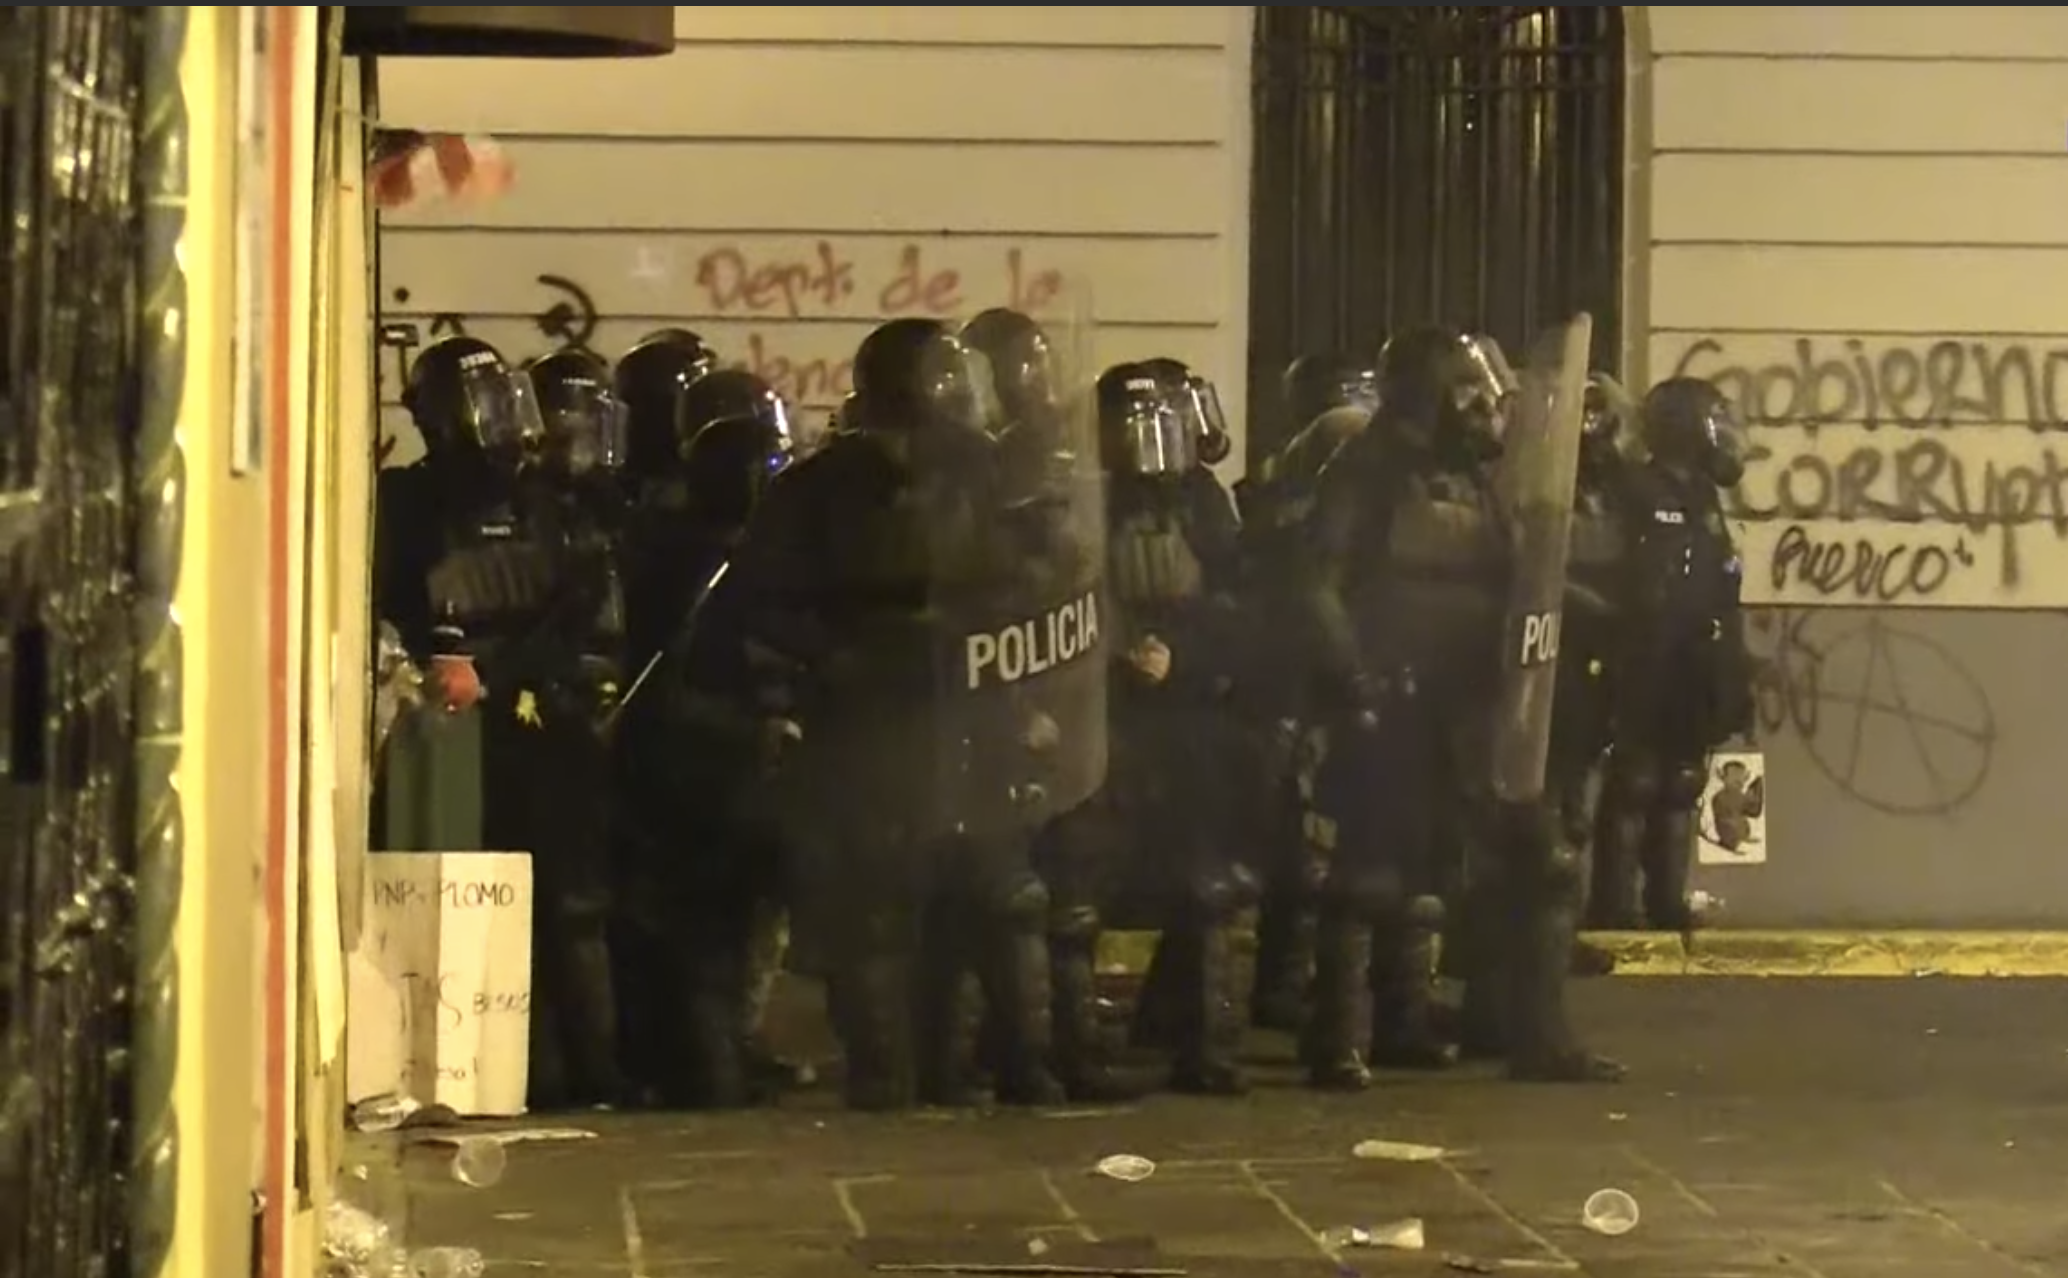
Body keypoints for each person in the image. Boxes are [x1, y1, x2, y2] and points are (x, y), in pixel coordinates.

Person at [727, 318, 1094, 1110]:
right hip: (872, 723)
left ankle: (994, 1065)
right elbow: (761, 601)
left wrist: (1032, 658)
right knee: (881, 905)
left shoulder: (991, 476)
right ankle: (889, 1073)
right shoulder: (819, 489)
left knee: (996, 893)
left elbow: (1051, 575)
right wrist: (841, 659)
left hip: (976, 706)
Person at [1297, 325, 1511, 1089]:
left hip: (1455, 700)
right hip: (1385, 695)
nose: (1486, 404)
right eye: (1465, 387)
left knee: (1428, 871)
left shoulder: (1478, 479)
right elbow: (1318, 579)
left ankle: (1406, 1020)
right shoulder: (1368, 469)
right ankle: (1338, 1034)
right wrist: (1353, 679)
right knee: (1363, 876)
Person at [961, 308, 1136, 1102]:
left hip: (1073, 711)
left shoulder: (1069, 477)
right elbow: (973, 621)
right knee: (1017, 902)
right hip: (1007, 719)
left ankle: (1076, 1050)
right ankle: (1026, 1056)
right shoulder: (972, 489)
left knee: (1071, 903)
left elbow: (1095, 592)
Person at [1095, 361, 1252, 1096]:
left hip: (1187, 712)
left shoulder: (1200, 501)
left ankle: (1201, 1045)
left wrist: (1184, 658)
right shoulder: (1083, 498)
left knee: (1204, 883)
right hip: (1100, 709)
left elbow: (1240, 600)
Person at [1239, 353, 1380, 1032]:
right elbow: (1314, 601)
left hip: (1321, 693)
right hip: (1301, 697)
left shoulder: (1298, 503)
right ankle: (1285, 987)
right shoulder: (1299, 515)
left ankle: (1306, 988)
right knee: (1305, 858)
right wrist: (1352, 677)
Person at [1593, 376, 1753, 932]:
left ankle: (1666, 900)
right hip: (1647, 656)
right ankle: (1614, 903)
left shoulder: (1703, 497)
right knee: (1636, 778)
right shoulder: (1635, 487)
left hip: (1695, 662)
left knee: (1683, 780)